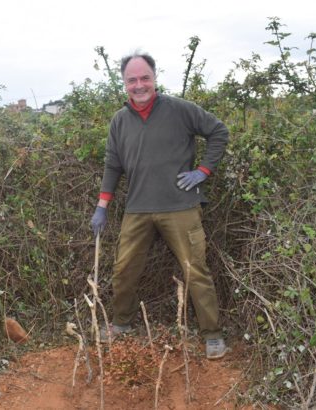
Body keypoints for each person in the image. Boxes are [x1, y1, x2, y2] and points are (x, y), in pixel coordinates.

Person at [90, 51, 229, 359]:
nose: (139, 85)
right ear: (124, 83)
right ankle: (121, 324)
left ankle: (212, 335)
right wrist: (102, 206)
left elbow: (218, 131)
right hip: (137, 208)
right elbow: (113, 165)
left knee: (195, 270)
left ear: (155, 78)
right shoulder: (119, 121)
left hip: (181, 206)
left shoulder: (180, 110)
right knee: (124, 269)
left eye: (145, 78)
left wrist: (203, 171)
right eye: (132, 80)